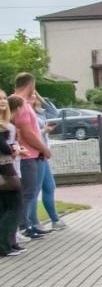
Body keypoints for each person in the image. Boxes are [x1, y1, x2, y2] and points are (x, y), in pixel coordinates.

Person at [10, 74, 51, 241]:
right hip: (26, 155)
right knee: (28, 192)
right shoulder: (19, 104)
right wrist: (43, 148)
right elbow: (26, 132)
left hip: (32, 153)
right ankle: (23, 226)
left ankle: (27, 224)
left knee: (31, 191)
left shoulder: (25, 103)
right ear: (30, 84)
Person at [28, 86, 63, 232]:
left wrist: (40, 98)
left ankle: (55, 219)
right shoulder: (27, 114)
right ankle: (33, 223)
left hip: (43, 153)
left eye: (34, 95)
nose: (33, 98)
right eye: (30, 96)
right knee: (34, 190)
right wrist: (44, 131)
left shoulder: (38, 113)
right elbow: (29, 134)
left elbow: (54, 114)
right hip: (36, 153)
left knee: (49, 186)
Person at [0, 97, 24, 256]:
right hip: (4, 169)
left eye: (3, 98)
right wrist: (15, 149)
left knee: (4, 208)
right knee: (14, 206)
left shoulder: (5, 123)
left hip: (7, 167)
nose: (3, 101)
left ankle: (10, 242)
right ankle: (4, 245)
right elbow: (5, 148)